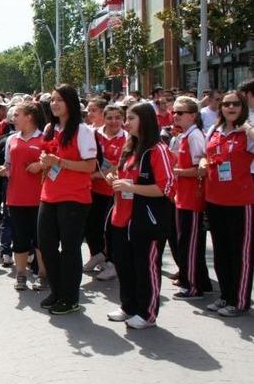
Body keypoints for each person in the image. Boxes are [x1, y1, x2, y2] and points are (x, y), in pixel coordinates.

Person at [106, 103, 176, 329]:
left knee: (146, 267)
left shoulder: (158, 150)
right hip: (122, 217)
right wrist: (114, 180)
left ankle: (147, 314)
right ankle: (128, 306)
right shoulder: (130, 148)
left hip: (147, 220)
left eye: (131, 118)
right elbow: (124, 179)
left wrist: (133, 187)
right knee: (125, 265)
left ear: (145, 120)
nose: (126, 123)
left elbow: (166, 188)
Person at [37, 85, 97, 315]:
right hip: (49, 194)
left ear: (70, 102)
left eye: (59, 100)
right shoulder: (50, 128)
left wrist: (59, 162)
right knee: (46, 244)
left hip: (74, 197)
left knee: (70, 249)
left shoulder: (82, 131)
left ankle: (70, 297)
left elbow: (90, 165)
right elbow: (47, 160)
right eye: (52, 100)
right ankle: (57, 290)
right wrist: (45, 161)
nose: (54, 104)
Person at [200, 91, 254, 317]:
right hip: (215, 199)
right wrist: (203, 163)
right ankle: (225, 296)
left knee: (240, 252)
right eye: (226, 104)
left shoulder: (247, 132)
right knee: (221, 252)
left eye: (236, 104)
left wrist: (249, 130)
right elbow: (205, 155)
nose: (230, 107)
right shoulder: (214, 130)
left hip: (241, 201)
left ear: (243, 107)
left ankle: (239, 300)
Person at [0, 101, 48, 290]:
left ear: (30, 117)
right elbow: (8, 165)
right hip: (15, 197)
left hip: (40, 198)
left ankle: (43, 274)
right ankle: (21, 275)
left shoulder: (44, 139)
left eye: (17, 114)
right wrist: (4, 169)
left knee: (40, 239)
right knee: (19, 238)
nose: (13, 118)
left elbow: (53, 166)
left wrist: (41, 165)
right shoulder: (11, 139)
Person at [170, 96, 211, 300]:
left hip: (192, 198)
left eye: (180, 112)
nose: (175, 116)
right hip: (183, 196)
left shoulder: (194, 136)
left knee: (191, 244)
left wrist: (175, 171)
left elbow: (200, 170)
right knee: (185, 242)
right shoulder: (184, 135)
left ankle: (194, 286)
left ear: (193, 115)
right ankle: (198, 280)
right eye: (174, 112)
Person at [85, 104, 127, 281]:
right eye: (110, 117)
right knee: (90, 226)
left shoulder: (127, 138)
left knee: (109, 229)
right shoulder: (94, 134)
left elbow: (118, 167)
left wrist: (95, 174)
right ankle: (97, 256)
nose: (113, 121)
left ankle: (112, 263)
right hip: (92, 189)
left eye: (117, 117)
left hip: (113, 192)